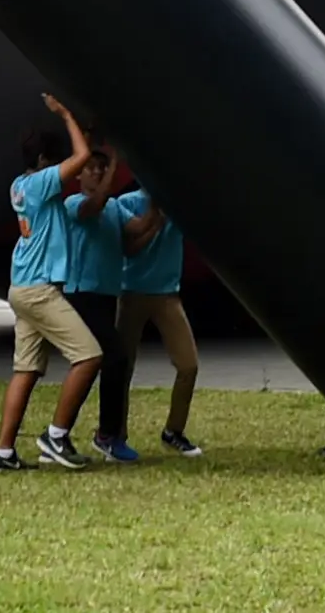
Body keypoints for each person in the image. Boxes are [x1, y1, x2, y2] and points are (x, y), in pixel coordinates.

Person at [0, 94, 104, 471]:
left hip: (22, 286)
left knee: (26, 370)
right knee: (89, 356)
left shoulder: (19, 186)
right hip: (39, 288)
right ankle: (55, 436)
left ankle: (3, 452)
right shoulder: (41, 183)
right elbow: (81, 159)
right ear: (43, 162)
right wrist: (67, 115)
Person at [107, 179, 203, 457]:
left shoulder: (178, 202)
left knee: (188, 365)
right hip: (131, 293)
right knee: (122, 368)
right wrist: (155, 219)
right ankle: (116, 435)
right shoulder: (126, 203)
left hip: (167, 295)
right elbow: (129, 248)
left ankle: (174, 431)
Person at [62, 147, 141, 463]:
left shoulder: (115, 209)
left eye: (101, 167)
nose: (96, 172)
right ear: (79, 174)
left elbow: (135, 235)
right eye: (92, 168)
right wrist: (114, 166)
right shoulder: (74, 203)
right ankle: (103, 435)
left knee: (102, 363)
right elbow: (93, 207)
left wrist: (157, 212)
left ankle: (83, 433)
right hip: (82, 293)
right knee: (112, 358)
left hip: (107, 295)